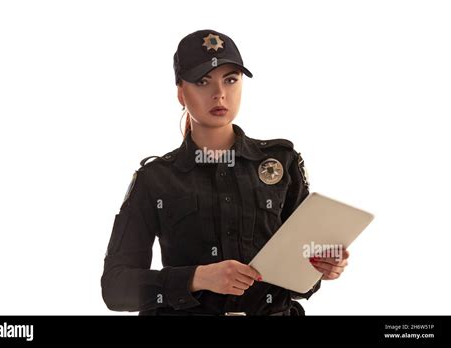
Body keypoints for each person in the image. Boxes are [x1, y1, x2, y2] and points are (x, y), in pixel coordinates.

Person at [100, 29, 349, 316]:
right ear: (181, 93)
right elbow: (116, 289)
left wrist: (322, 268)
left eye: (230, 80)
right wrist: (198, 277)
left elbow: (297, 282)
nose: (219, 94)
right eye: (202, 81)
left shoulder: (282, 163)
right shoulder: (155, 179)